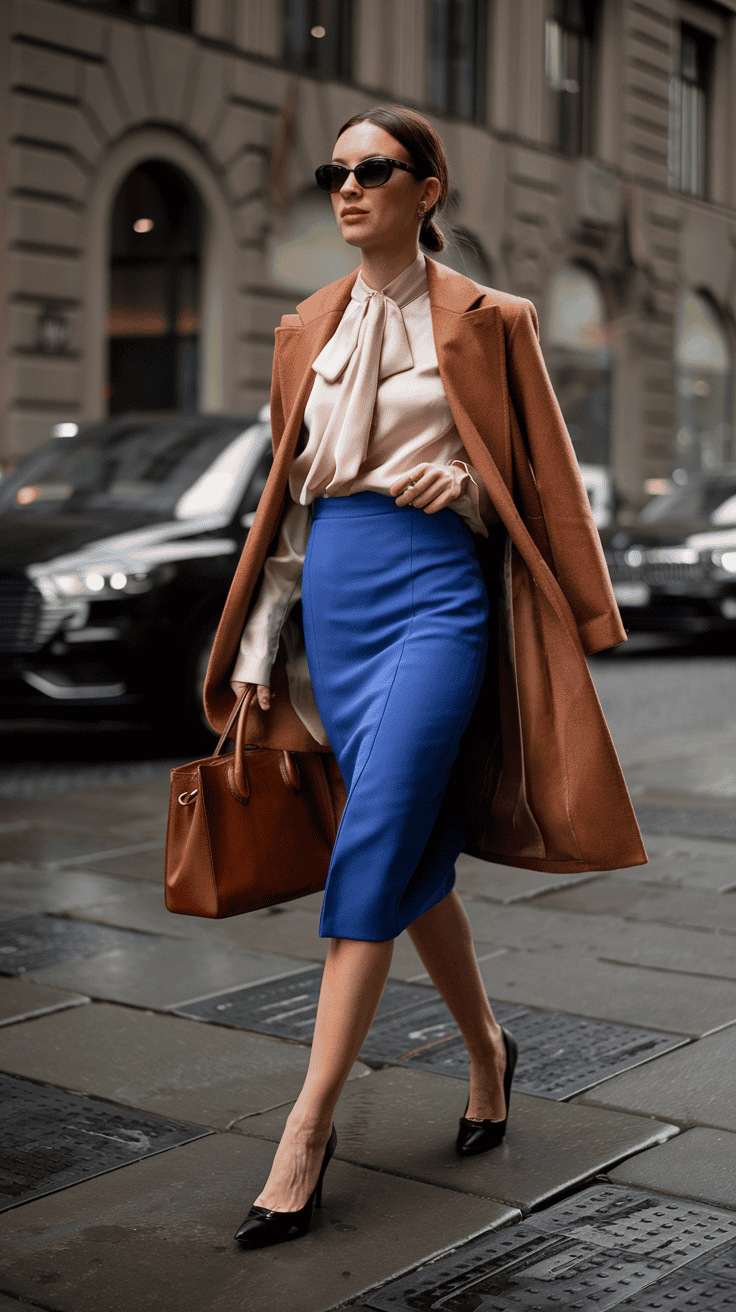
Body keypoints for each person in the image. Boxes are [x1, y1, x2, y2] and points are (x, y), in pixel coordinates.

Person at [203, 104, 646, 1249]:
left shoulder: (494, 319)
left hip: (440, 595)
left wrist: (467, 487)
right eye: (332, 172)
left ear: (427, 189)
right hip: (336, 602)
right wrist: (258, 649)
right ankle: (488, 1048)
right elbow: (288, 507)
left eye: (373, 170)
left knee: (379, 828)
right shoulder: (305, 324)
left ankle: (306, 1126)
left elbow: (542, 475)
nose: (347, 189)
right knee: (405, 849)